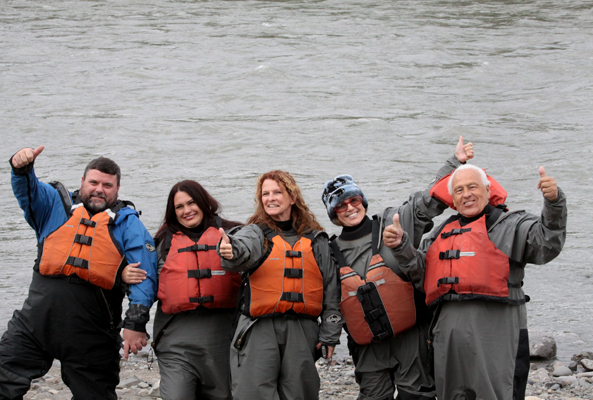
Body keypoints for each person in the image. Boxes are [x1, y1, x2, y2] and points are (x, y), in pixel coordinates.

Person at [383, 164, 567, 400]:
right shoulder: (441, 232)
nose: (466, 194)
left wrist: (554, 203)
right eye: (459, 190)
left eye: (472, 187)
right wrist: (401, 246)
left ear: (488, 190)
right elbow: (423, 276)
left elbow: (547, 244)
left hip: (496, 338)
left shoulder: (510, 225)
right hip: (447, 340)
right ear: (453, 198)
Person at [0, 146, 158, 400]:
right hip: (37, 321)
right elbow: (29, 190)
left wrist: (135, 323)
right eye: (93, 182)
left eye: (107, 185)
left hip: (92, 331)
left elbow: (144, 276)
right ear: (82, 182)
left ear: (117, 189)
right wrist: (21, 168)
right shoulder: (54, 205)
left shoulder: (128, 224)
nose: (99, 189)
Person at [321, 137, 473, 400]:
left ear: (363, 201)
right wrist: (329, 337)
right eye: (340, 205)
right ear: (333, 215)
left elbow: (427, 202)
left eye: (353, 199)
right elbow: (331, 300)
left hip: (411, 337)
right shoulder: (329, 251)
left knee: (417, 396)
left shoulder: (394, 221)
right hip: (368, 346)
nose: (349, 207)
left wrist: (455, 162)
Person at [217, 170, 343, 400]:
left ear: (292, 197)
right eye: (265, 193)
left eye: (277, 192)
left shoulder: (317, 240)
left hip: (302, 331)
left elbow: (332, 293)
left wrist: (330, 334)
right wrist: (230, 251)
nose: (270, 198)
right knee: (253, 392)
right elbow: (240, 250)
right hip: (258, 329)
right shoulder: (255, 233)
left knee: (300, 394)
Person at [121, 180, 242, 400]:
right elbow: (144, 285)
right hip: (176, 341)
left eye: (192, 203)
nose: (187, 211)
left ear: (204, 202)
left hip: (224, 338)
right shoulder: (163, 242)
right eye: (179, 207)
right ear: (173, 212)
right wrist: (122, 276)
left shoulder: (233, 234)